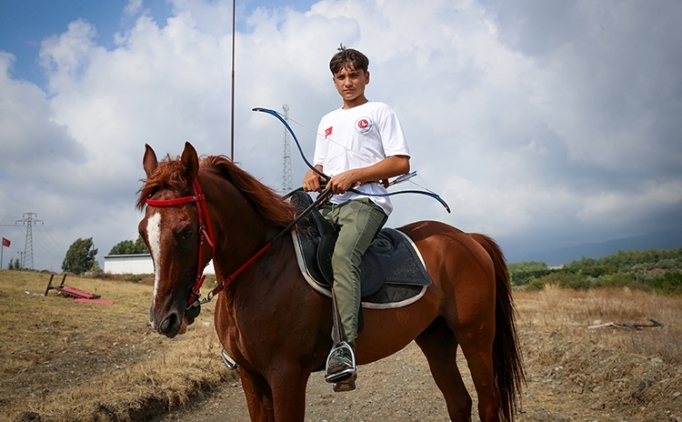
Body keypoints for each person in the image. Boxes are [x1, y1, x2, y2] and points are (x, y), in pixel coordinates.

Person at [302, 45, 411, 390]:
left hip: (366, 202)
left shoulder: (380, 111)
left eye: (353, 75)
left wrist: (355, 175)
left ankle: (343, 347)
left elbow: (400, 162)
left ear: (366, 76)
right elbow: (321, 165)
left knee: (343, 256)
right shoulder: (327, 121)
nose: (347, 82)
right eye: (341, 76)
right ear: (334, 81)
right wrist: (312, 174)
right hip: (327, 204)